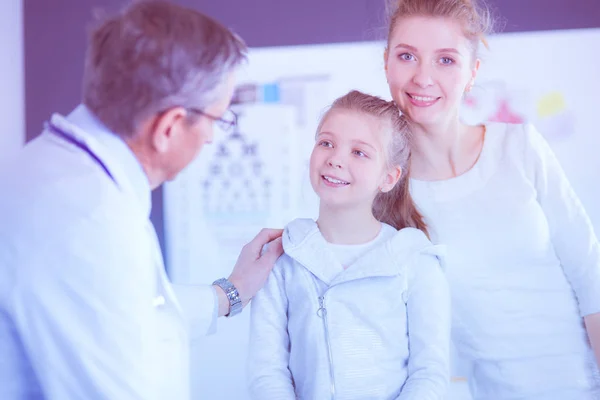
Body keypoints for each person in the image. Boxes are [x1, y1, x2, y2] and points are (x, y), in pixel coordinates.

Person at [0, 1, 283, 399]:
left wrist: (230, 292)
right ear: (168, 127)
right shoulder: (89, 222)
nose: (210, 138)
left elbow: (134, 314)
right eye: (217, 120)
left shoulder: (52, 173)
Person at [383, 0, 600, 398]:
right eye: (407, 56)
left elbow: (590, 272)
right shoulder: (387, 192)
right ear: (386, 62)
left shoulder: (519, 146)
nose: (423, 77)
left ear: (472, 73)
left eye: (446, 60)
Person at [247, 90, 450, 400]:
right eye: (326, 143)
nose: (335, 159)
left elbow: (429, 373)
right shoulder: (283, 257)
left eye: (359, 152)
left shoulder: (415, 260)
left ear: (389, 177)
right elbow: (267, 372)